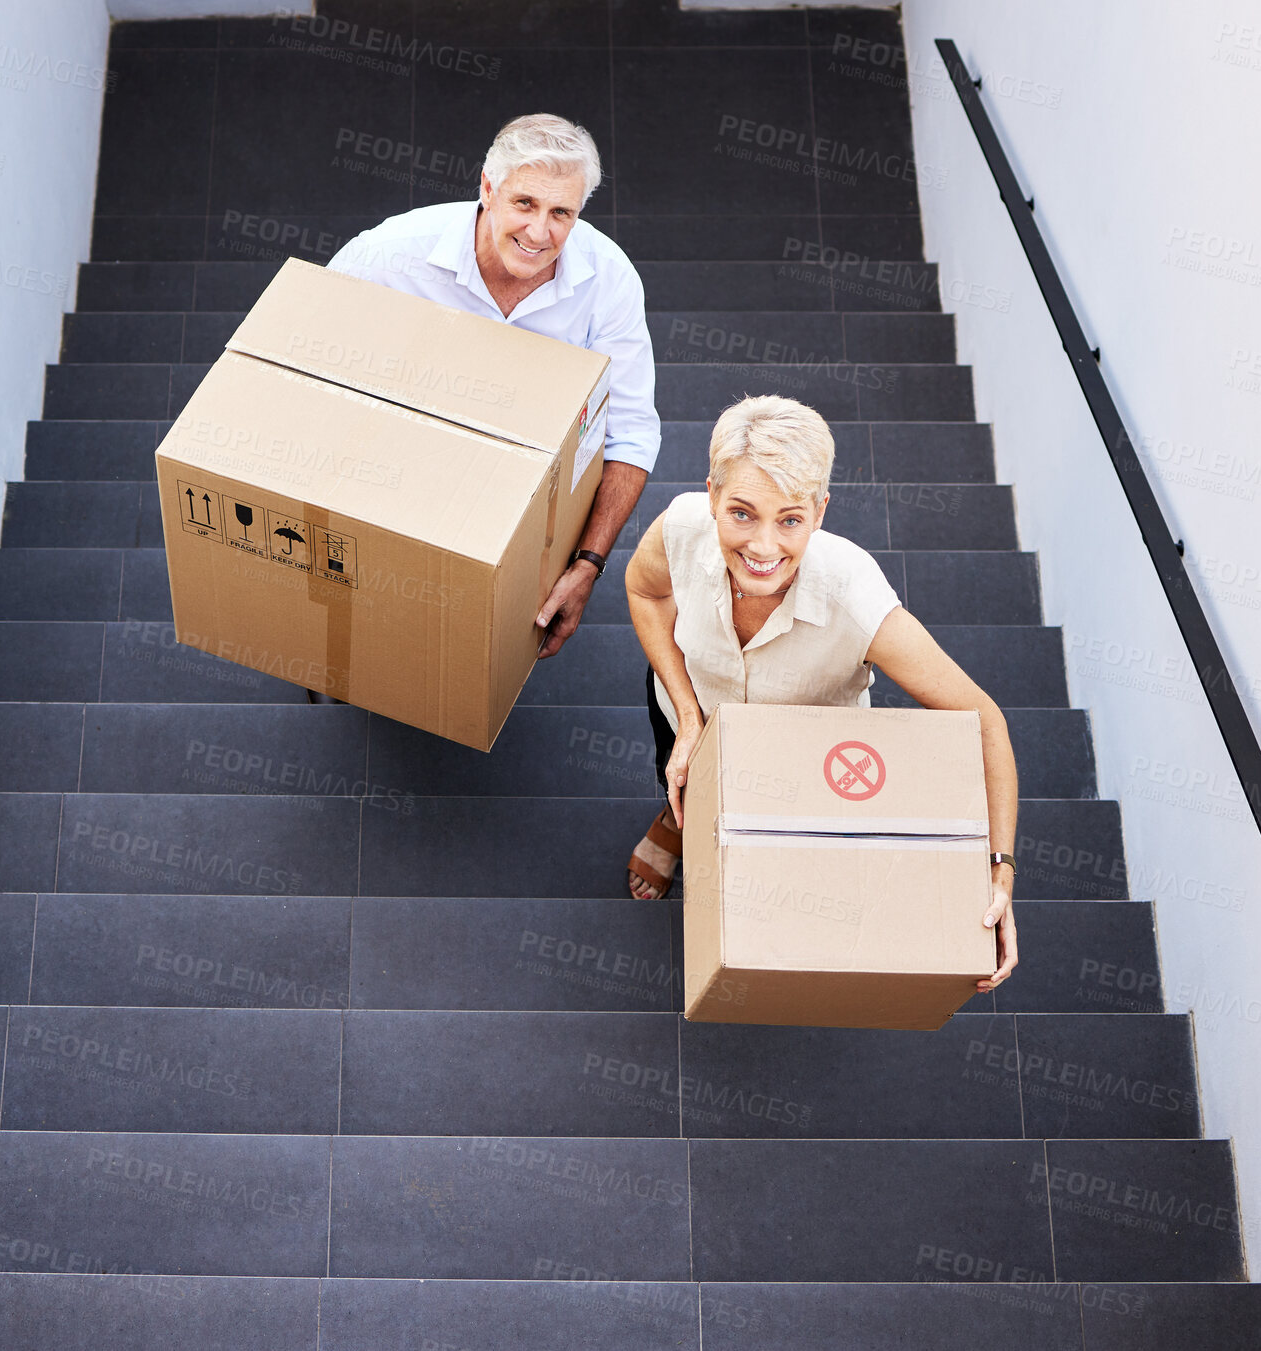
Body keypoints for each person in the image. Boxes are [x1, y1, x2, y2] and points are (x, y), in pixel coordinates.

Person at [624, 395, 1019, 993]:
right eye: (740, 513)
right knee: (678, 778)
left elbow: (984, 719)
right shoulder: (681, 526)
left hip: (808, 763)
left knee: (790, 886)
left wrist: (999, 871)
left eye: (789, 519)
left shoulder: (855, 598)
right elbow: (645, 592)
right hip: (691, 709)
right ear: (711, 495)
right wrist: (686, 715)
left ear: (819, 511)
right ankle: (674, 823)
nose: (762, 548)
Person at [326, 112, 659, 659]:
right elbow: (299, 351)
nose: (539, 232)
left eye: (561, 213)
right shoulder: (391, 253)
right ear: (487, 187)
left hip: (520, 481)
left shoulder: (609, 281)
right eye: (524, 203)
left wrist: (588, 566)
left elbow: (630, 432)